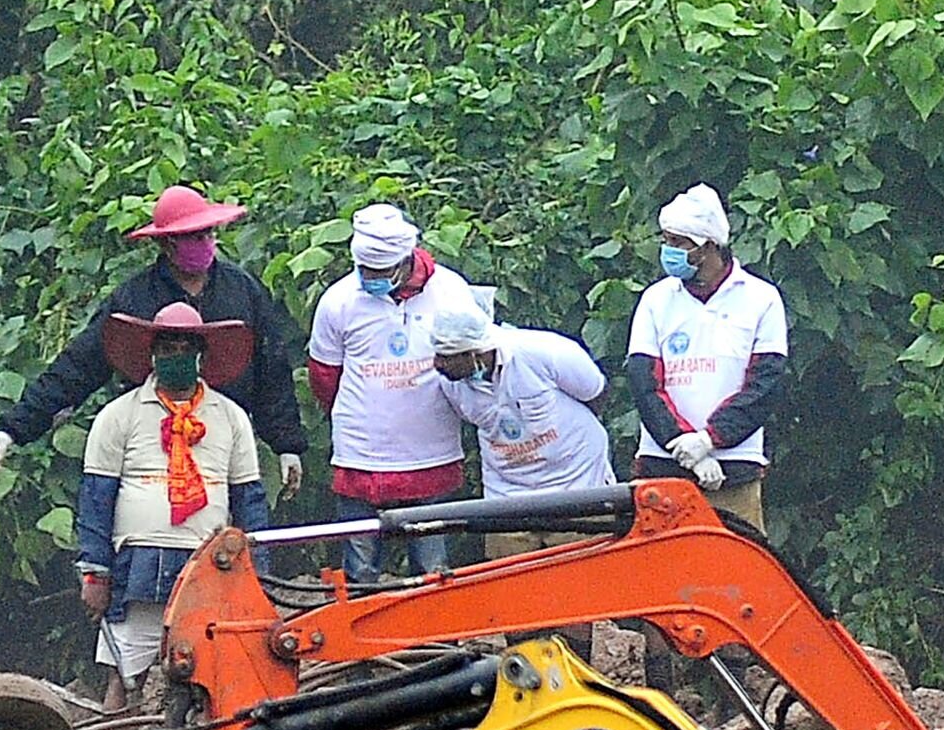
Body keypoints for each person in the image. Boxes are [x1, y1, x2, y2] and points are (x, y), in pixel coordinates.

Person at [0, 186, 309, 503]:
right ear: (166, 245)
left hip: (224, 441)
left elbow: (272, 372)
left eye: (208, 233)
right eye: (193, 237)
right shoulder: (135, 298)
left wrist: (286, 445)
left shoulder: (242, 291)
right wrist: (14, 429)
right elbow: (80, 365)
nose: (205, 242)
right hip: (153, 446)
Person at [76, 302, 273, 703]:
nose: (176, 356)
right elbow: (96, 499)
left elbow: (249, 501)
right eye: (167, 348)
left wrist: (260, 579)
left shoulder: (231, 417)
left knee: (214, 679)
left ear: (201, 356)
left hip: (209, 566)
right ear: (152, 354)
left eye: (186, 348)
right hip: (137, 567)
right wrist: (94, 574)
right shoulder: (118, 415)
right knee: (125, 679)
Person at [305, 202, 483, 580]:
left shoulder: (450, 291)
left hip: (431, 450)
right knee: (359, 568)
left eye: (380, 271)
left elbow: (474, 358)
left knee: (433, 570)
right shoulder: (338, 300)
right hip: (361, 454)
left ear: (404, 261)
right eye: (365, 270)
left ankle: (436, 637)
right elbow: (324, 376)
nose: (370, 277)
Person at [626, 185, 789, 532]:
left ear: (708, 247)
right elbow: (644, 383)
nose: (668, 251)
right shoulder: (656, 299)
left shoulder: (761, 299)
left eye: (678, 243)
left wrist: (709, 440)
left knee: (737, 574)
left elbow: (764, 385)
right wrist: (680, 443)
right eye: (666, 240)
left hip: (735, 467)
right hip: (663, 466)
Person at [429, 295, 615, 541]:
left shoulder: (544, 351)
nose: (437, 364)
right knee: (510, 572)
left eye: (447, 357)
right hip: (507, 494)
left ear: (476, 352)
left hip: (577, 483)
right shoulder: (450, 382)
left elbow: (595, 393)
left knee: (581, 572)